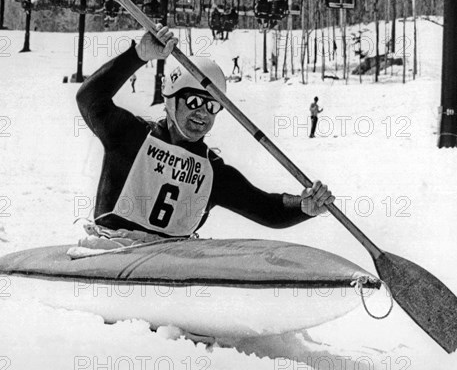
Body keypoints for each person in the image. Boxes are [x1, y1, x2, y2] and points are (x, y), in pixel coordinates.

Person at [70, 25, 334, 256]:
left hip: (171, 259)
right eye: (194, 101)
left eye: (212, 106)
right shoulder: (131, 136)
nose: (202, 113)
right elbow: (89, 98)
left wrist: (303, 206)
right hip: (111, 250)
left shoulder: (213, 171)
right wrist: (139, 55)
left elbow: (266, 209)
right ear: (170, 99)